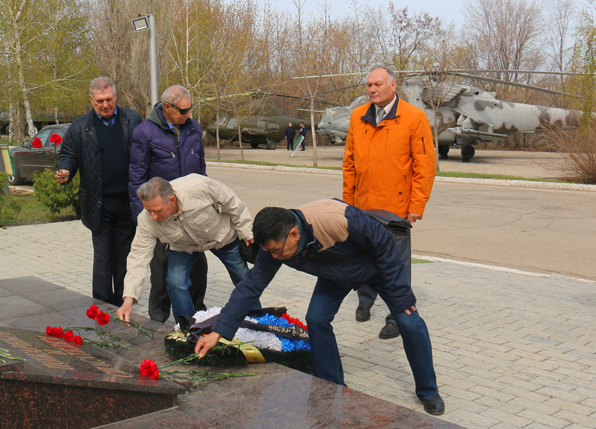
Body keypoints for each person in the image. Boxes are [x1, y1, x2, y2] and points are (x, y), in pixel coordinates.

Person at [194, 202, 445, 417]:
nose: (274, 256)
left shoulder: (338, 219)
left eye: (276, 250)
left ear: (294, 234)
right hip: (335, 274)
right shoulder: (275, 245)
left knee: (409, 321)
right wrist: (219, 331)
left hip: (374, 267)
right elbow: (251, 286)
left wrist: (401, 298)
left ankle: (428, 391)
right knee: (316, 318)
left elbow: (385, 244)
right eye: (269, 251)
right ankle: (331, 385)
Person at [343, 65, 436, 340]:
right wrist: (348, 203)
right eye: (369, 84)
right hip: (362, 206)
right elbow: (349, 163)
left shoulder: (414, 118)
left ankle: (397, 316)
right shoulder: (358, 116)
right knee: (363, 257)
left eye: (378, 84)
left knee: (396, 266)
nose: (372, 89)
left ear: (393, 86)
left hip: (395, 209)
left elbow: (425, 165)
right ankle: (365, 299)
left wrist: (416, 205)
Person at [116, 175, 254, 324]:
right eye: (148, 210)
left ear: (172, 200)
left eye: (157, 210)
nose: (153, 217)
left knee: (242, 277)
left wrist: (246, 232)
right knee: (175, 282)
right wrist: (128, 301)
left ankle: (258, 319)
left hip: (221, 236)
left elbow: (232, 203)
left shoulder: (198, 186)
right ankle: (187, 328)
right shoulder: (146, 220)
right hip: (183, 247)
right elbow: (138, 257)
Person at [56, 77, 142, 306]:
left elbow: (144, 152)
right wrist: (65, 170)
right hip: (98, 204)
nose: (105, 105)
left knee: (125, 257)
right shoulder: (79, 127)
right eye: (99, 101)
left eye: (109, 99)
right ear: (91, 100)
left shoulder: (131, 119)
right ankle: (103, 307)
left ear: (116, 96)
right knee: (103, 258)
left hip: (128, 202)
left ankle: (124, 304)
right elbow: (69, 155)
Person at [128, 85, 209, 322]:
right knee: (162, 277)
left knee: (197, 272)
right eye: (183, 111)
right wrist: (142, 220)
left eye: (190, 109)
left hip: (192, 214)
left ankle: (198, 322)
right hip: (162, 214)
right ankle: (158, 323)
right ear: (167, 108)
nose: (188, 115)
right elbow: (136, 178)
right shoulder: (145, 132)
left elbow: (201, 170)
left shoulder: (194, 129)